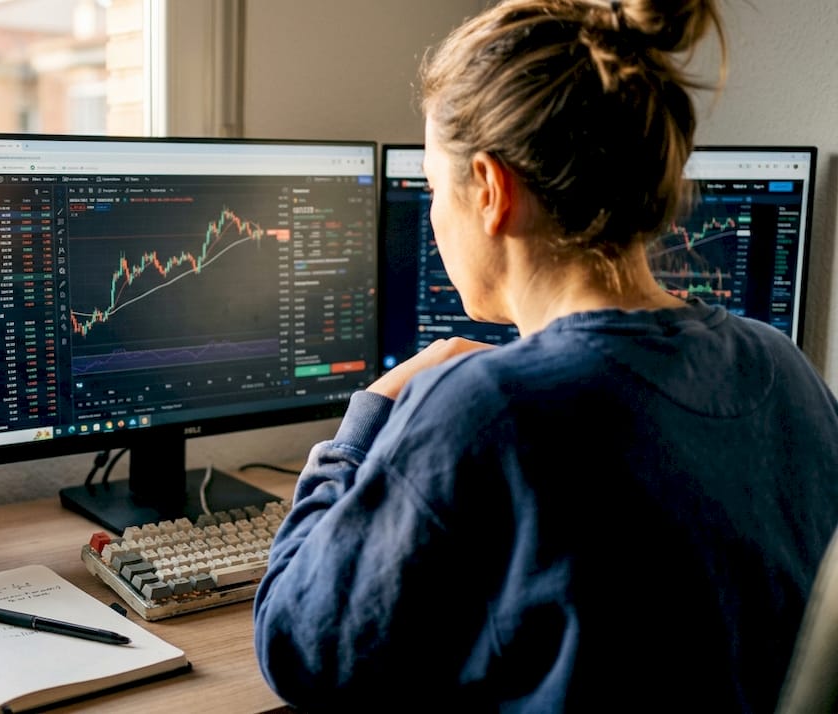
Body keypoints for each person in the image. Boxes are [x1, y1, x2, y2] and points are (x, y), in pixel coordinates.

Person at [251, 0, 838, 711]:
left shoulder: (485, 410)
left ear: (493, 191)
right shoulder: (783, 367)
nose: (433, 211)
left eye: (435, 186)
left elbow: (297, 647)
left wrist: (367, 419)